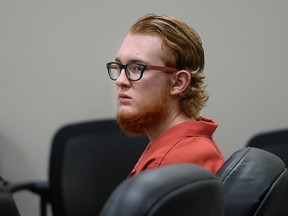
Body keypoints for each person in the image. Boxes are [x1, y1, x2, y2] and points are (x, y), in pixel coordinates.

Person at [106, 14, 224, 177]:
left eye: (136, 68)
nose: (120, 80)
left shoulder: (170, 164)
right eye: (119, 66)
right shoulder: (188, 144)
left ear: (178, 83)